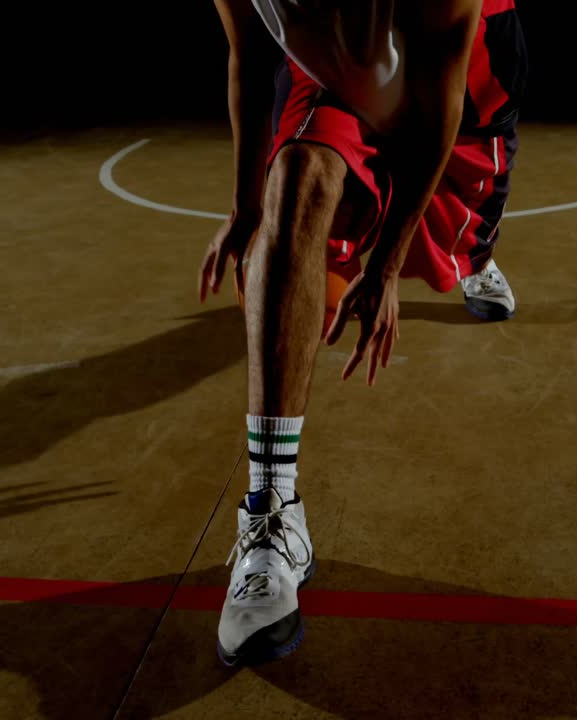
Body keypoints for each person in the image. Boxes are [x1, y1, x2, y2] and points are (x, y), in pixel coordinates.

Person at [198, 0, 527, 665]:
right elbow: (253, 56)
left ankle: (477, 258)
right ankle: (272, 516)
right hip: (331, 74)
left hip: (464, 64)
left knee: (468, 229)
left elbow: (439, 106)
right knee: (293, 189)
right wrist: (244, 205)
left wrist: (385, 267)